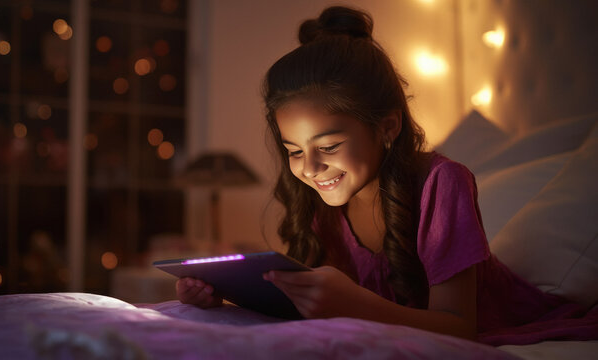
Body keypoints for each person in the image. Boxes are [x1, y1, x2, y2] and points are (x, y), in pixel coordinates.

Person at [176, 6, 597, 345]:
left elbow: (460, 330)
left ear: (387, 128)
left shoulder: (441, 184)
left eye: (328, 147)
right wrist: (227, 296)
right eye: (294, 151)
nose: (310, 168)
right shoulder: (326, 203)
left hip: (514, 323)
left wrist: (353, 303)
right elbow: (309, 304)